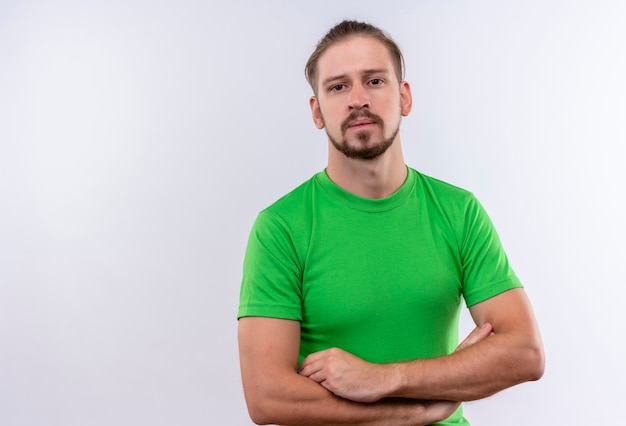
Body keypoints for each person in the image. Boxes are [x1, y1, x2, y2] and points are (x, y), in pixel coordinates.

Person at [237, 20, 545, 426]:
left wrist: (383, 379)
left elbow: (525, 352)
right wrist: (412, 413)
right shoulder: (280, 227)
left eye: (375, 81)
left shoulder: (458, 211)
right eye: (338, 86)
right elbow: (267, 397)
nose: (358, 99)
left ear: (404, 97)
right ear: (317, 111)